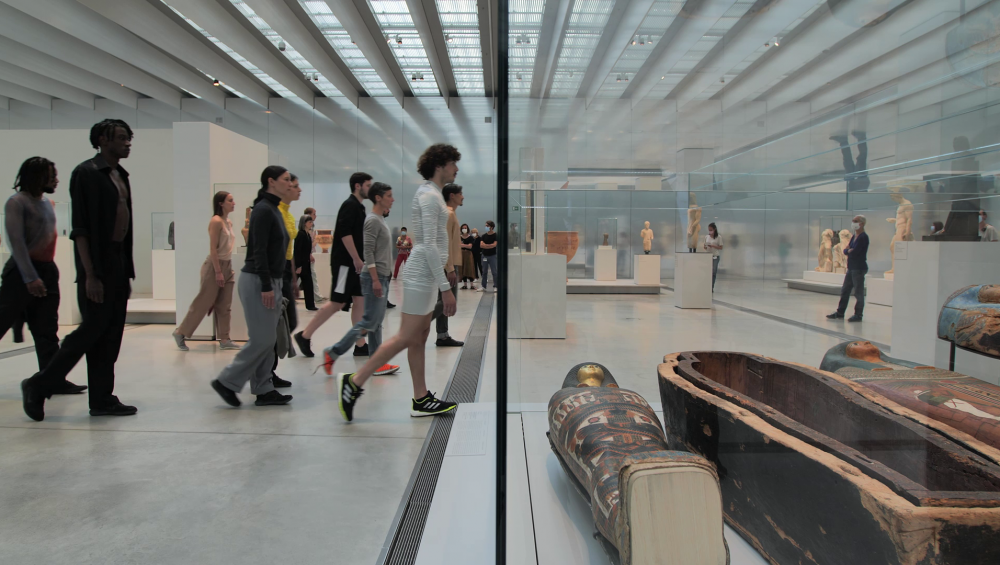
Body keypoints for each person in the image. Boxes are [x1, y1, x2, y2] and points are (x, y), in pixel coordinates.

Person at [21, 119, 138, 420]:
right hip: (97, 265)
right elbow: (81, 229)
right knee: (90, 331)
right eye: (121, 137)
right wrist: (90, 275)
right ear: (102, 139)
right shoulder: (86, 173)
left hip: (118, 263)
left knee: (110, 334)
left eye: (129, 137)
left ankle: (102, 398)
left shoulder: (120, 174)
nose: (128, 143)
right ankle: (40, 384)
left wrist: (125, 271)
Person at [336, 144, 462, 422]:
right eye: (453, 162)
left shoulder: (432, 195)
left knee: (419, 336)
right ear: (441, 164)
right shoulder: (429, 196)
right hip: (422, 274)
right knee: (406, 336)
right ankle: (355, 381)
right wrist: (445, 289)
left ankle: (421, 397)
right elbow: (428, 245)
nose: (456, 168)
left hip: (427, 274)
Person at [209, 166, 295, 408]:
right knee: (263, 338)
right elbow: (258, 251)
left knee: (266, 339)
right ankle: (227, 380)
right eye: (286, 180)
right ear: (271, 181)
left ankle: (264, 387)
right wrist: (267, 285)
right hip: (259, 281)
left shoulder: (272, 208)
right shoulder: (263, 210)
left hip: (269, 280)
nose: (290, 184)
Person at [0, 158, 84, 394]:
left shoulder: (48, 202)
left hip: (46, 270)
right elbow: (16, 243)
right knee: (2, 320)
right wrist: (30, 277)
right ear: (36, 176)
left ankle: (51, 379)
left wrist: (42, 275)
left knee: (47, 329)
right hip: (21, 271)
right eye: (51, 175)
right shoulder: (16, 203)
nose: (56, 179)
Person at [321, 182, 400, 376]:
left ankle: (376, 362)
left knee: (375, 322)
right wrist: (374, 279)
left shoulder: (380, 219)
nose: (393, 199)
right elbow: (368, 252)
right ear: (378, 198)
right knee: (369, 322)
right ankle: (334, 352)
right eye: (389, 195)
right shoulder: (372, 220)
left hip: (381, 276)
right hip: (374, 276)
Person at [294, 173, 371, 358]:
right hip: (345, 264)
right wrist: (356, 258)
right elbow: (345, 234)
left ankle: (360, 344)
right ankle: (304, 336)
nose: (371, 188)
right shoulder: (350, 205)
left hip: (353, 264)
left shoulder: (359, 207)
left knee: (359, 300)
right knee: (337, 301)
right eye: (368, 185)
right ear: (358, 186)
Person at [172, 191, 239, 351]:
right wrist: (218, 272)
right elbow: (213, 249)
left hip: (227, 265)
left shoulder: (228, 222)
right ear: (221, 203)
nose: (234, 203)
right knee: (203, 302)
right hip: (214, 267)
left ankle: (225, 339)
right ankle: (180, 332)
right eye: (230, 200)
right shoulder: (215, 221)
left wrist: (226, 270)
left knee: (225, 305)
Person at [432, 183, 465, 348]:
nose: (463, 197)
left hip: (448, 264)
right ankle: (416, 326)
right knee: (447, 301)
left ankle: (442, 335)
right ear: (452, 195)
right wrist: (450, 268)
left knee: (444, 301)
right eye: (460, 194)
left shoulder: (450, 214)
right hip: (447, 266)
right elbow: (443, 244)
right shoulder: (448, 214)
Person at [827, 215, 869, 323]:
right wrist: (848, 251)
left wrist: (849, 251)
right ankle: (840, 312)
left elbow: (854, 252)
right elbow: (846, 250)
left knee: (858, 293)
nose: (853, 223)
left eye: (856, 221)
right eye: (853, 221)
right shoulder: (854, 236)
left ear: (862, 223)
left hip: (858, 268)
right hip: (851, 268)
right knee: (845, 290)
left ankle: (858, 314)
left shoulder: (863, 237)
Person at [294, 215, 317, 310]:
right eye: (309, 222)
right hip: (301, 264)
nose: (311, 224)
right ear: (304, 223)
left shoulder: (307, 234)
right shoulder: (301, 234)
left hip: (306, 263)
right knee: (293, 283)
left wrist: (309, 256)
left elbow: (306, 250)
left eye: (311, 222)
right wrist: (298, 265)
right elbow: (297, 250)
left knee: (308, 284)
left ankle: (310, 305)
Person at [304, 206, 326, 303]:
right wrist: (309, 253)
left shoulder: (311, 228)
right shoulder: (305, 229)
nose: (315, 216)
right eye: (314, 214)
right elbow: (306, 243)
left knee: (310, 275)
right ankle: (317, 297)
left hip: (310, 253)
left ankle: (316, 296)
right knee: (312, 275)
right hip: (308, 255)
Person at [703, 222, 723, 292]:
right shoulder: (706, 237)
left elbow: (721, 247)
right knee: (707, 271)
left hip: (715, 256)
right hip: (708, 255)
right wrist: (706, 246)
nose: (710, 231)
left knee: (713, 272)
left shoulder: (719, 237)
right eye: (709, 230)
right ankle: (706, 285)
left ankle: (711, 286)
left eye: (711, 230)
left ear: (714, 229)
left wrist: (713, 246)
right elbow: (704, 246)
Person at [479, 220, 498, 291]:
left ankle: (496, 286)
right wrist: (489, 245)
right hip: (484, 256)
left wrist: (486, 245)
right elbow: (481, 245)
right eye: (485, 226)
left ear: (492, 227)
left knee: (494, 272)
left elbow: (494, 245)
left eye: (487, 226)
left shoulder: (496, 235)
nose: (486, 227)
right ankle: (483, 286)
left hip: (492, 256)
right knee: (484, 272)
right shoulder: (484, 236)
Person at [459, 223, 477, 290]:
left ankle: (472, 285)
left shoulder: (471, 237)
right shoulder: (459, 237)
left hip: (468, 254)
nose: (464, 229)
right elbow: (458, 245)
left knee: (469, 268)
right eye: (463, 228)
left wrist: (463, 245)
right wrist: (465, 245)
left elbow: (470, 246)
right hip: (461, 254)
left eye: (465, 228)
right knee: (463, 268)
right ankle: (465, 285)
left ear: (467, 229)